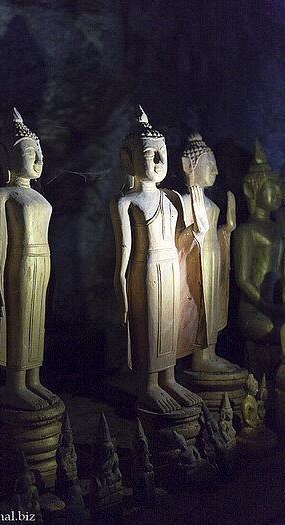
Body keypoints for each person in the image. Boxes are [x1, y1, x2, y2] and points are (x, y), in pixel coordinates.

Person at [111, 108, 207, 413]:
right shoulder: (127, 202)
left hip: (171, 267)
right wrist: (121, 288)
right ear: (128, 160)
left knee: (172, 323)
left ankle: (169, 378)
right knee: (150, 324)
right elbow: (123, 251)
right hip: (147, 268)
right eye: (150, 154)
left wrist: (198, 230)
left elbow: (183, 242)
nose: (158, 161)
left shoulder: (172, 198)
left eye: (162, 153)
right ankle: (150, 385)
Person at [0, 108, 57, 410]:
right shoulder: (2, 195)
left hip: (43, 264)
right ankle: (16, 385)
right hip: (19, 265)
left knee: (36, 322)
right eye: (30, 152)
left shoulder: (39, 196)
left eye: (39, 152)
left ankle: (34, 379)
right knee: (18, 322)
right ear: (7, 156)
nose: (38, 160)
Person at [181, 133, 237, 372]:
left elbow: (215, 235)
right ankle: (200, 357)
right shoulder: (184, 202)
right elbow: (178, 240)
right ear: (188, 165)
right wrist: (194, 232)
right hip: (197, 261)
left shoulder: (212, 205)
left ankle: (210, 353)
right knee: (200, 308)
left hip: (214, 259)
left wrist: (227, 230)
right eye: (209, 164)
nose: (215, 171)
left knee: (213, 307)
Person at [233, 138, 285, 344]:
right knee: (271, 328)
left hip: (277, 302)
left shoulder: (279, 229)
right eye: (273, 188)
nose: (280, 194)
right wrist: (268, 306)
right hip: (254, 308)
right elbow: (243, 280)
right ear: (250, 190)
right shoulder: (247, 231)